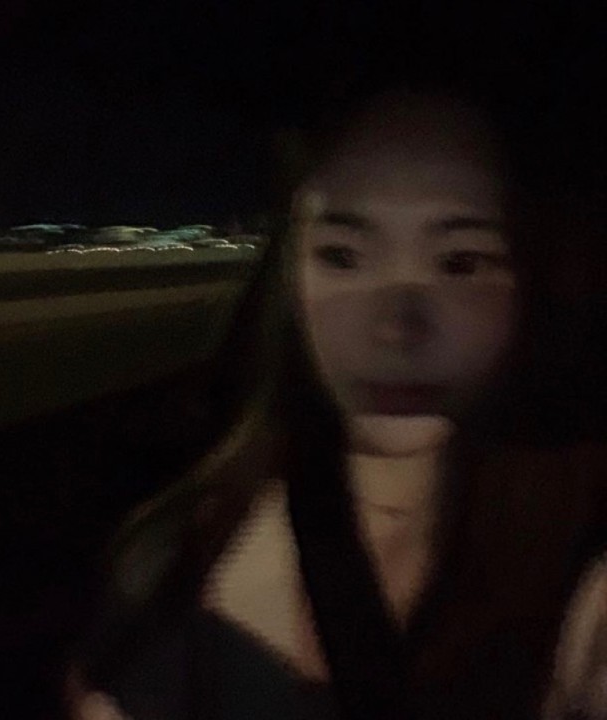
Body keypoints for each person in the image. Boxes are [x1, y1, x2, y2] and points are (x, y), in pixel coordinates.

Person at [70, 78, 607, 720]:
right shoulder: (176, 555)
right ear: (290, 281)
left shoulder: (582, 555)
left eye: (461, 262)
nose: (396, 328)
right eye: (343, 256)